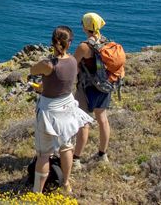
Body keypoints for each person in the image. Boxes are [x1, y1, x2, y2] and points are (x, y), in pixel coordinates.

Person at [30, 26, 94, 193]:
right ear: (70, 43)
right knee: (66, 147)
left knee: (44, 154)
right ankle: (66, 183)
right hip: (67, 108)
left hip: (48, 112)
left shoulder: (48, 64)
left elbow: (32, 70)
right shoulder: (73, 61)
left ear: (52, 42)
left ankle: (37, 192)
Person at [73, 12, 112, 169]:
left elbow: (72, 64)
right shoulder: (106, 42)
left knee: (83, 122)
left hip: (87, 88)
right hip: (104, 86)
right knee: (102, 119)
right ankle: (103, 154)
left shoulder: (84, 46)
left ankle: (76, 159)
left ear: (86, 26)